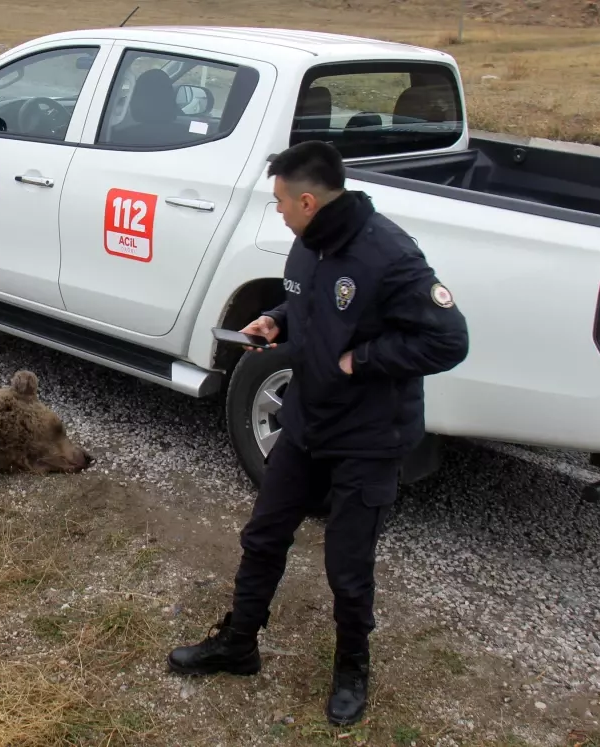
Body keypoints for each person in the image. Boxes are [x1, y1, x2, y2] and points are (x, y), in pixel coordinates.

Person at [167, 140, 469, 726]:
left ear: (308, 200)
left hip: (368, 437)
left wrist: (365, 359)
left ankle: (352, 670)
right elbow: (306, 303)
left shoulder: (391, 255)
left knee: (348, 569)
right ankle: (238, 645)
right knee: (263, 537)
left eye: (281, 201)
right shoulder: (310, 243)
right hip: (306, 422)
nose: (276, 210)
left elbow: (449, 340)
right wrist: (276, 320)